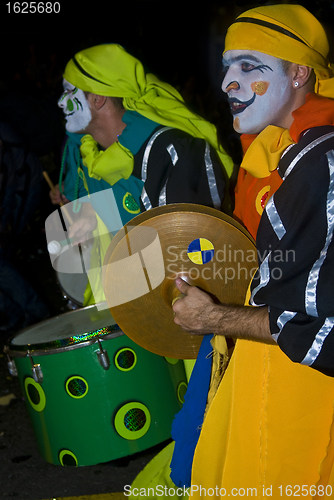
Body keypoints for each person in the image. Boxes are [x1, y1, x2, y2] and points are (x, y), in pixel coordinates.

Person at [172, 4, 334, 497]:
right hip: (262, 366)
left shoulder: (319, 164)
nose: (227, 83)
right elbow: (257, 254)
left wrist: (214, 319)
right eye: (227, 67)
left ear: (299, 72)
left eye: (249, 66)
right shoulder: (273, 149)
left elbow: (314, 325)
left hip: (299, 390)